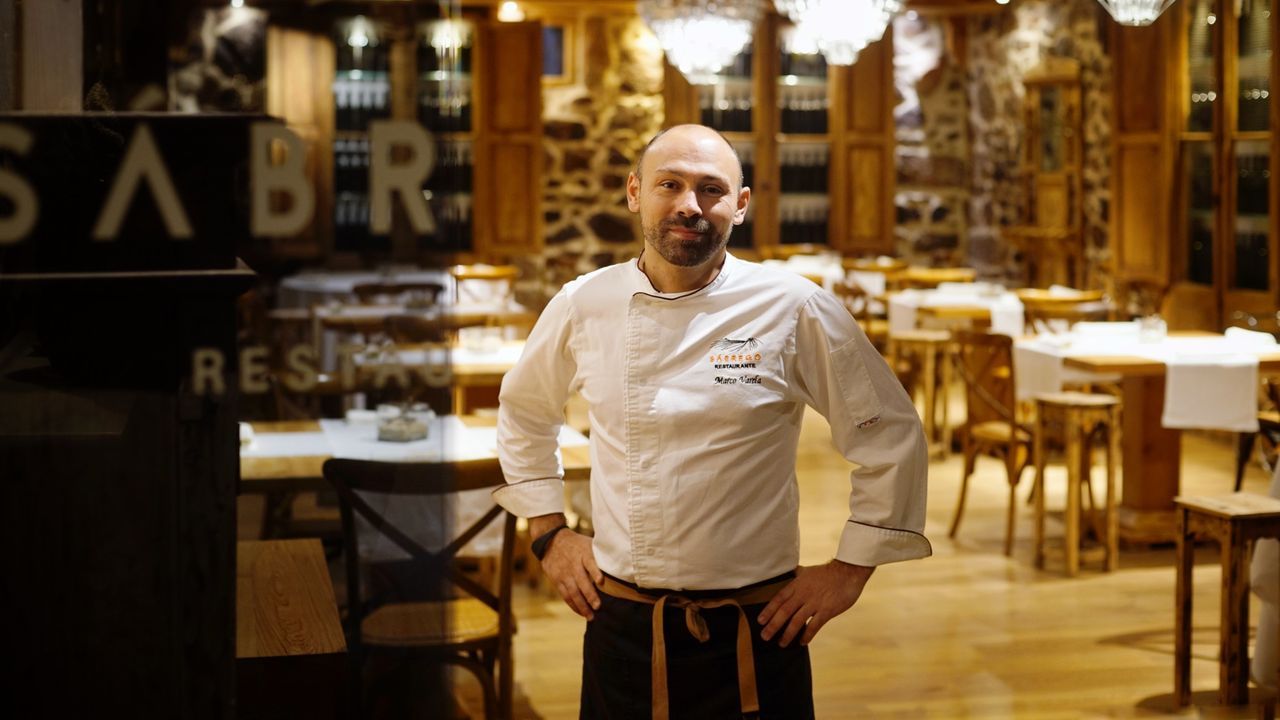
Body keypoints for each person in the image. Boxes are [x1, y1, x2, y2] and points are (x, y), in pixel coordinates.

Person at [494, 123, 930, 719]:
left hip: (761, 625)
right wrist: (548, 532)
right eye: (668, 184)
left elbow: (890, 433)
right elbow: (525, 412)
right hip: (623, 621)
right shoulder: (583, 303)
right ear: (634, 192)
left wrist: (849, 570)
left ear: (741, 205)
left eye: (711, 189)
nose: (688, 206)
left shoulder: (792, 306)